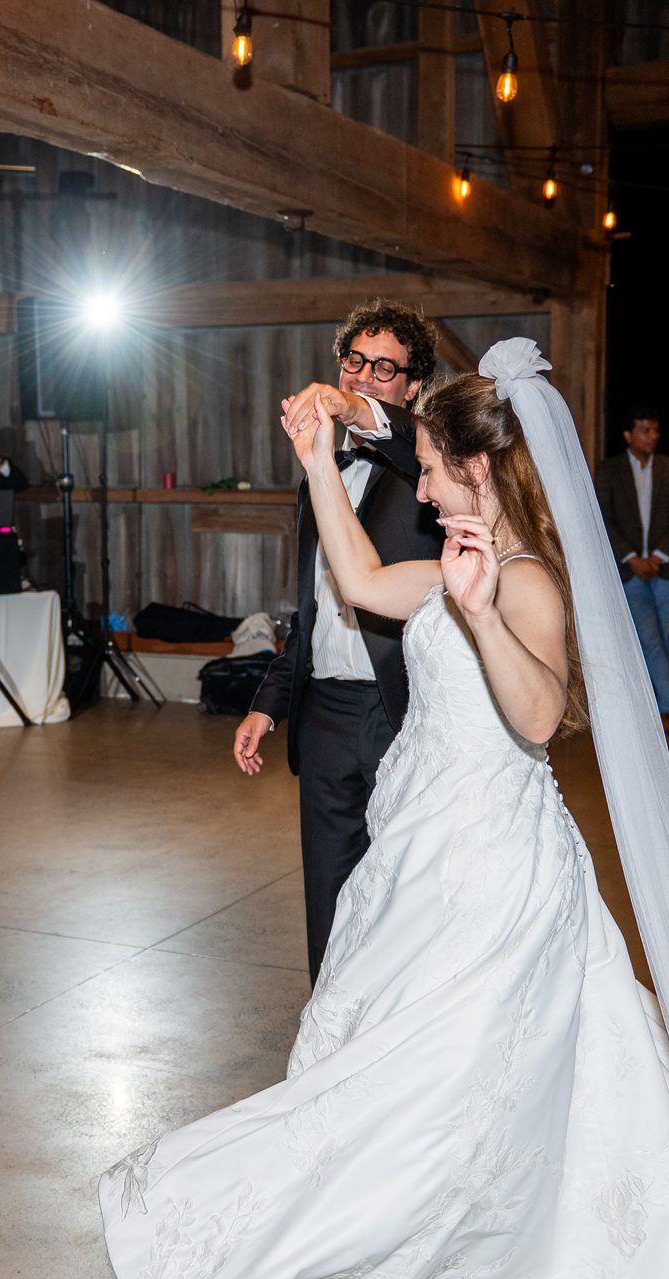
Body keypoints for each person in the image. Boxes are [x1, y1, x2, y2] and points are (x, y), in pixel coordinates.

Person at [100, 340, 669, 1279]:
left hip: (495, 866)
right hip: (419, 846)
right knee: (401, 1064)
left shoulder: (534, 581)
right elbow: (357, 585)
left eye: (428, 458)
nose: (418, 469)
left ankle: (466, 1262)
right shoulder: (444, 555)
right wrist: (314, 458)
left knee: (455, 1079)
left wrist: (483, 606)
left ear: (476, 468)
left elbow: (540, 718)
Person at [232, 299, 445, 985]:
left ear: (412, 386)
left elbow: (405, 437)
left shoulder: (429, 467)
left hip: (399, 709)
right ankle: (329, 1026)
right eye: (354, 362)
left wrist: (355, 411)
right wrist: (271, 702)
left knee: (400, 885)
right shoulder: (315, 474)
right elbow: (313, 606)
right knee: (326, 887)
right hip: (323, 711)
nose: (363, 376)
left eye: (386, 368)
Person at [594, 407, 669, 721]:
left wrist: (658, 556)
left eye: (655, 430)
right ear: (628, 434)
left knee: (667, 639)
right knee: (647, 640)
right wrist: (632, 558)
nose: (652, 436)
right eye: (645, 430)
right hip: (629, 570)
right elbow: (603, 519)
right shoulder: (610, 470)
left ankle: (663, 709)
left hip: (667, 568)